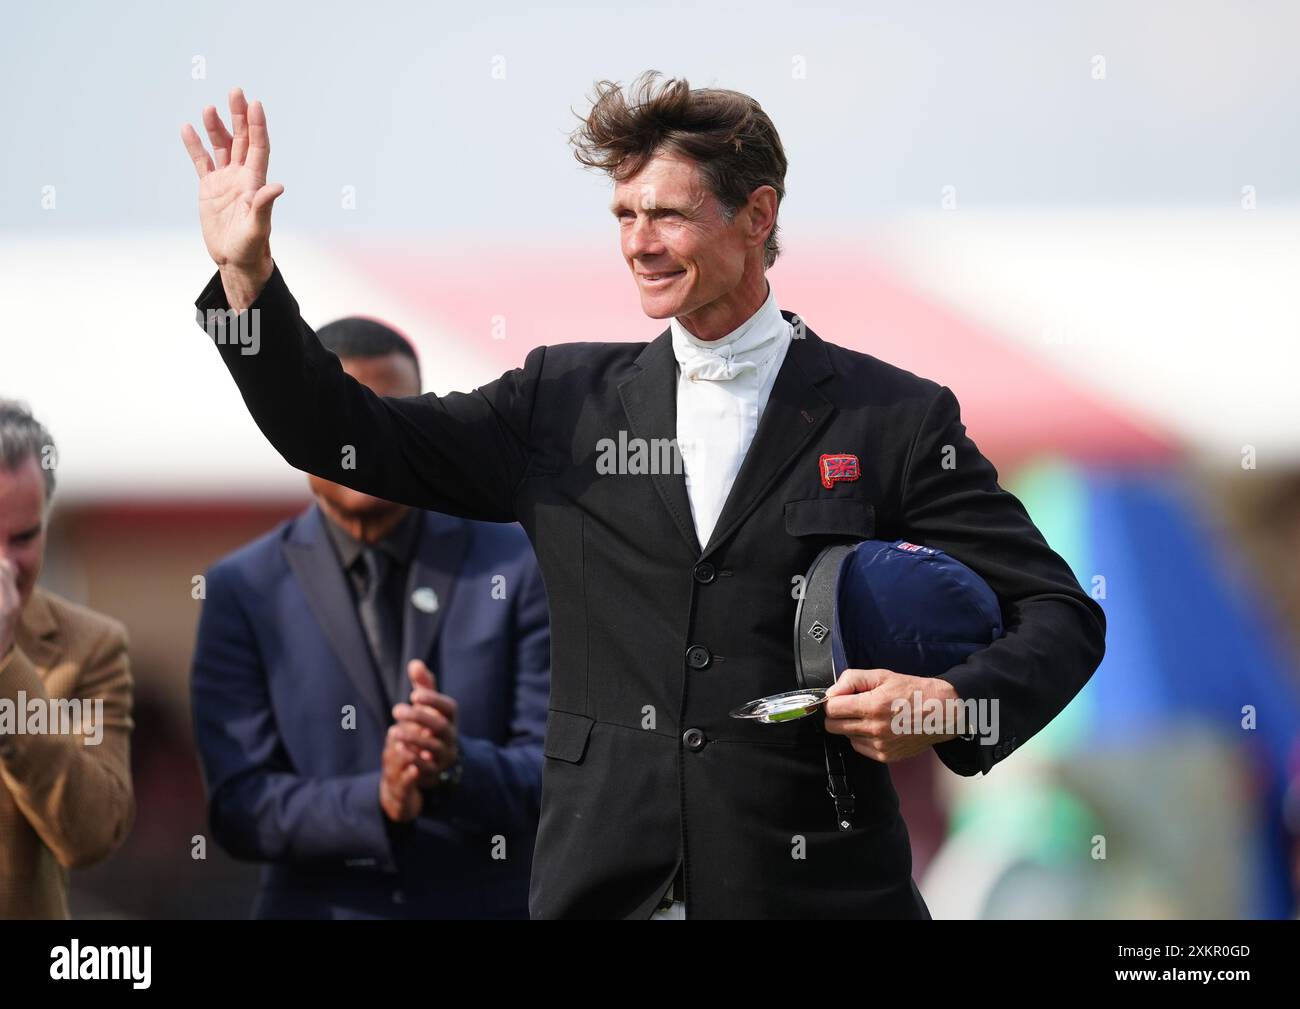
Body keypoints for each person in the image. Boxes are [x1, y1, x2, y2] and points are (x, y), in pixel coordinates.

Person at [180, 71, 1106, 919]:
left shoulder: (892, 416)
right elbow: (349, 437)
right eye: (623, 215)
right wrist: (247, 282)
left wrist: (946, 701)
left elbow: (1061, 613)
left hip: (820, 895)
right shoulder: (559, 401)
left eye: (665, 215)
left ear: (756, 215)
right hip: (604, 892)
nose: (638, 244)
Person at [190, 319, 550, 919]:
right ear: (298, 426)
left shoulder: (518, 565)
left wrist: (455, 765)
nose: (363, 439)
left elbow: (563, 775)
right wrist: (376, 800)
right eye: (342, 414)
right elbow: (238, 806)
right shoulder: (244, 588)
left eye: (388, 416)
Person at [0, 400, 135, 919]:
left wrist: (6, 665)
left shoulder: (88, 647)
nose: (6, 565)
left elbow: (91, 834)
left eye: (24, 537)